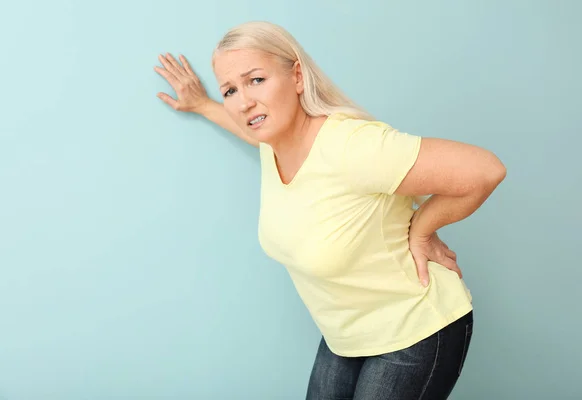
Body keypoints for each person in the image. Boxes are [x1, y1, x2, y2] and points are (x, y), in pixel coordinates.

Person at [154, 21, 506, 400]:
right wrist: (205, 104)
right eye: (231, 90)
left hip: (415, 329)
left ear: (298, 77)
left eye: (256, 80)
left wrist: (422, 229)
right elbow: (244, 124)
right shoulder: (274, 144)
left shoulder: (351, 146)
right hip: (346, 335)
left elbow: (485, 171)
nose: (243, 101)